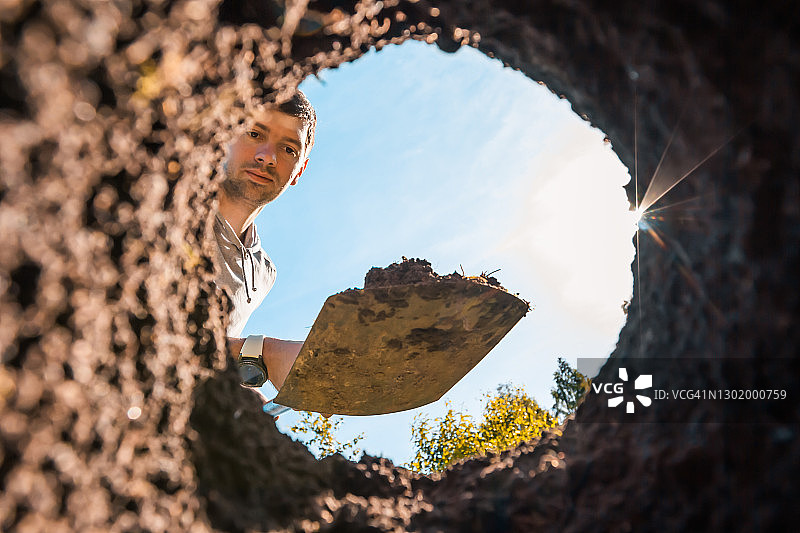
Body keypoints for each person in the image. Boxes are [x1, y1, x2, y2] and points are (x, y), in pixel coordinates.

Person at [212, 90, 316, 414]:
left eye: (288, 149)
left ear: (299, 170)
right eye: (254, 133)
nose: (267, 156)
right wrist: (261, 353)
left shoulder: (264, 272)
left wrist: (238, 387)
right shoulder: (168, 216)